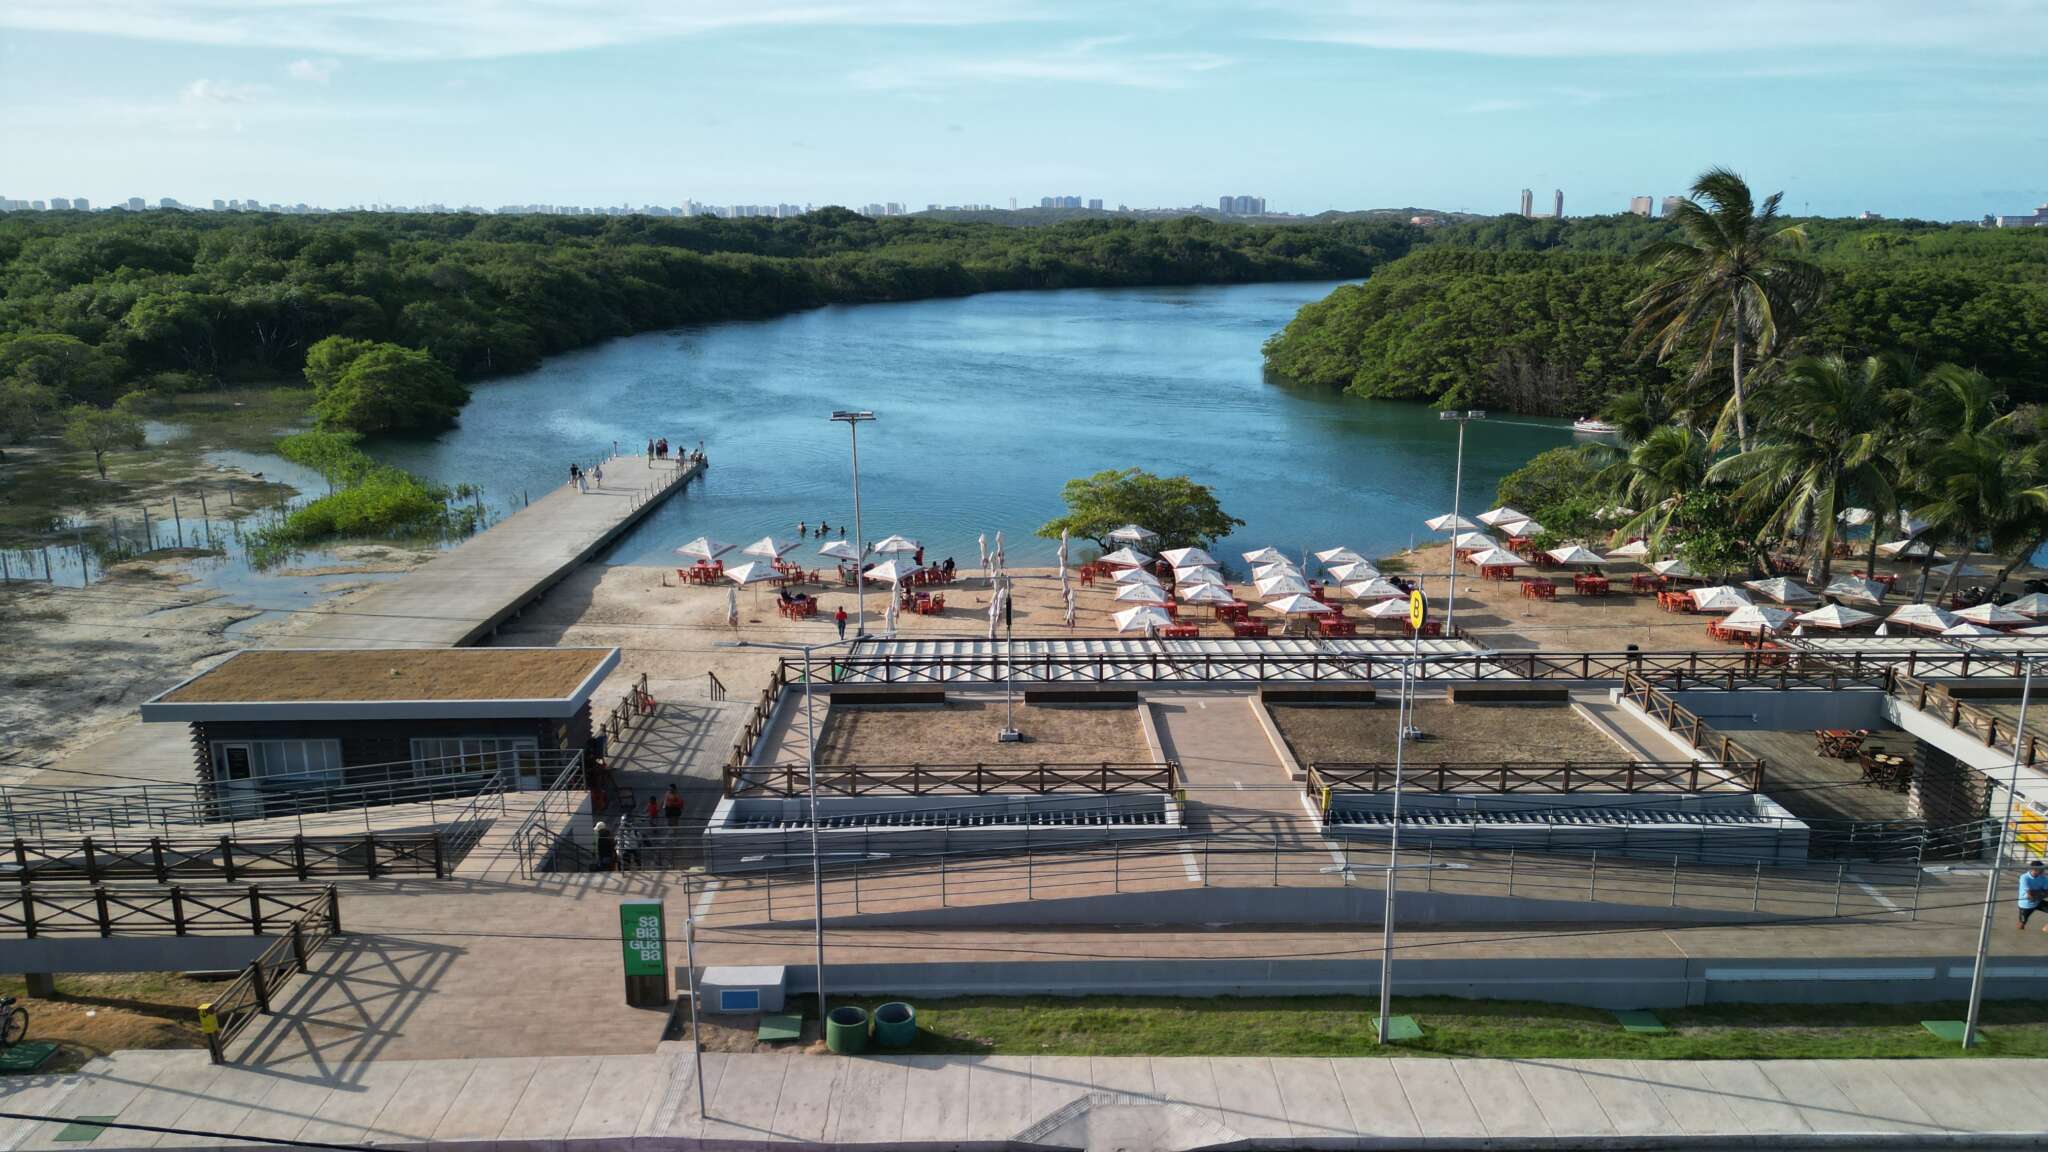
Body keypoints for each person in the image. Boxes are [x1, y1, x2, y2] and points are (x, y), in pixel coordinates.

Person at [2020, 860, 2048, 930]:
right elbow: (2030, 895)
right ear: (2034, 869)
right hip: (2025, 905)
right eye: (2041, 869)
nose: (2043, 871)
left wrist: (2035, 893)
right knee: (2021, 925)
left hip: (2038, 901)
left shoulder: (2044, 878)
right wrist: (2040, 893)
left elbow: (2047, 892)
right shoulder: (2024, 877)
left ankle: (2045, 929)